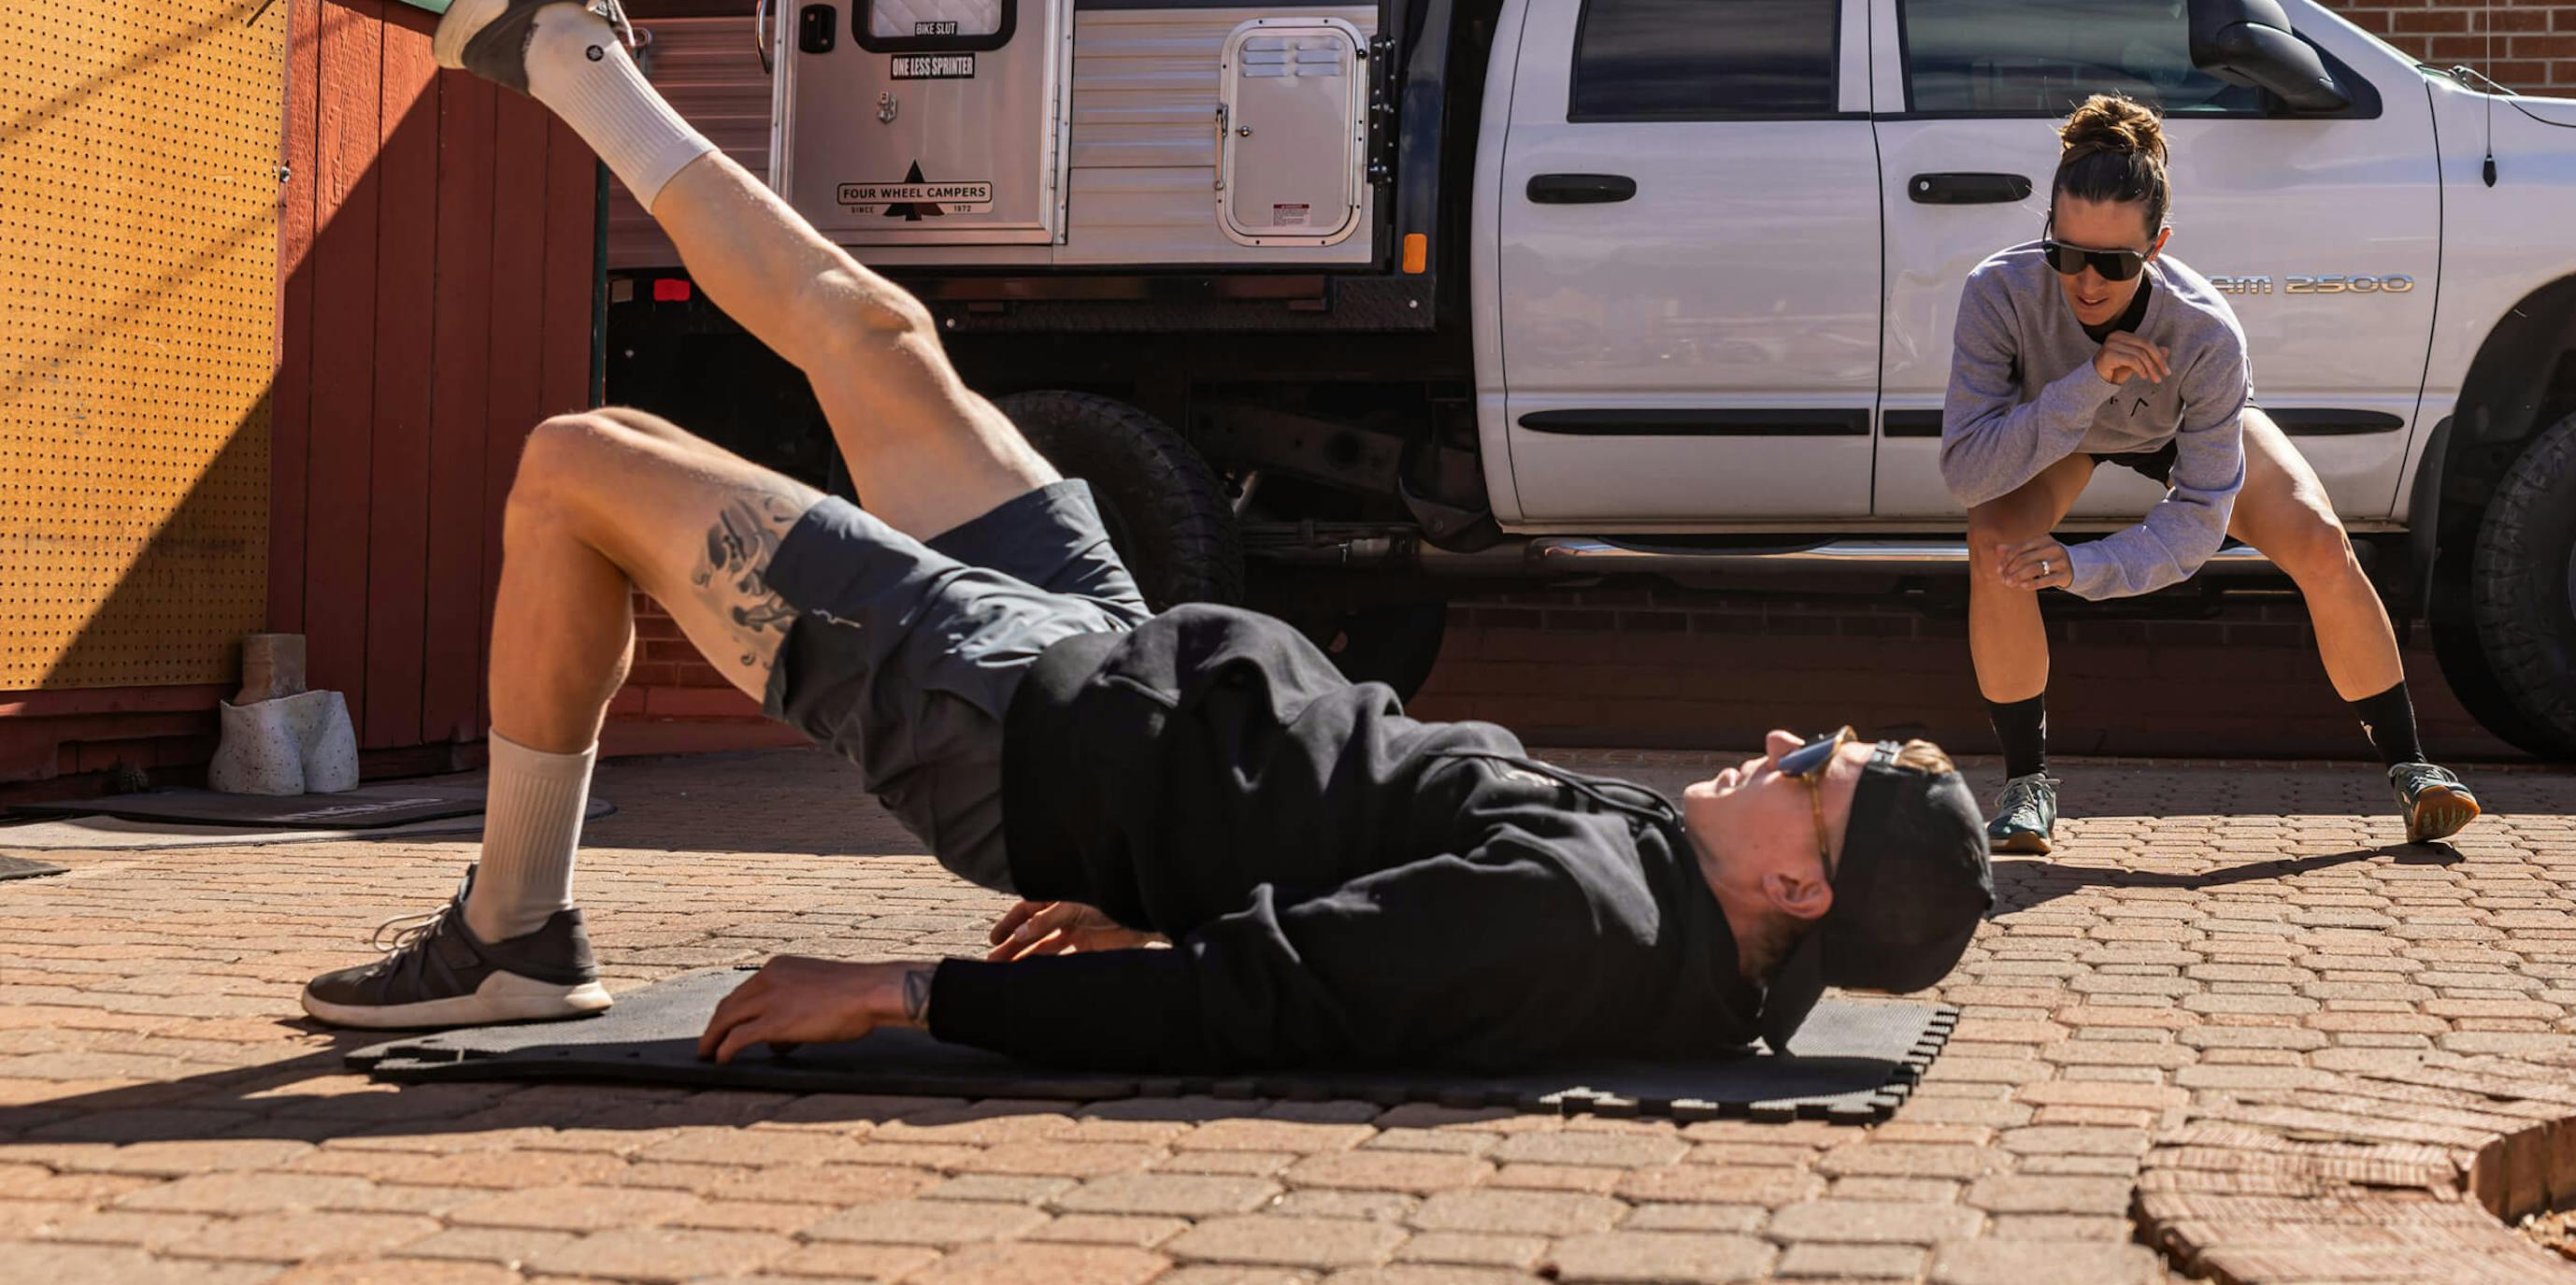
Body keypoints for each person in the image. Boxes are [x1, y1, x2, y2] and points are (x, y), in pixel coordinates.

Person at [295, 0, 1997, 1073]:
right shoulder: (1687, 916)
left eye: (1817, 767)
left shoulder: (1587, 921)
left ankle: (512, 933)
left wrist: (902, 989)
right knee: (874, 334)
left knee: (578, 459)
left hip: (1014, 718)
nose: (1786, 737)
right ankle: (573, 55)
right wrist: (1177, 899)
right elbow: (1348, 907)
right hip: (1119, 664)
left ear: (1797, 877)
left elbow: (1267, 1005)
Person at [1943, 93, 2483, 854]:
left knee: (2321, 542)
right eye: (2066, 254)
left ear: (2156, 246)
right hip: (2058, 431)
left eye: (2115, 262)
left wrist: (2084, 565)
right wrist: (2087, 382)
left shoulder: (2203, 331)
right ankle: (2026, 787)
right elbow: (1967, 471)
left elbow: (2197, 521)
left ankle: (2413, 767)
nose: (2087, 281)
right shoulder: (1995, 291)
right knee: (1993, 542)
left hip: (2173, 427)